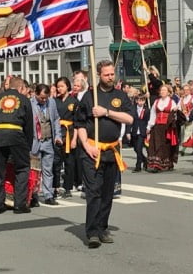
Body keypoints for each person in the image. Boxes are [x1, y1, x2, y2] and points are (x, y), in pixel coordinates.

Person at [75, 60, 132, 248]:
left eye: (112, 74)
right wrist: (86, 145)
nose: (110, 77)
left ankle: (102, 227)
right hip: (92, 150)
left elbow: (129, 118)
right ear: (99, 75)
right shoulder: (90, 97)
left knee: (108, 193)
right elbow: (80, 124)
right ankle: (91, 232)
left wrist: (106, 112)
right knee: (94, 192)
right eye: (107, 74)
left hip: (111, 151)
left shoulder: (120, 95)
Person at [0, 77, 34, 215]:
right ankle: (20, 204)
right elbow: (29, 125)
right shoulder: (24, 99)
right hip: (16, 134)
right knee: (22, 168)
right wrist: (28, 146)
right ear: (21, 88)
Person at [31, 83, 63, 206]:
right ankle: (33, 195)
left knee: (48, 170)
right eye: (41, 98)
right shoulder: (30, 103)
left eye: (46, 98)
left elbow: (56, 119)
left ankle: (48, 195)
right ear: (36, 94)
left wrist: (58, 136)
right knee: (34, 170)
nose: (44, 100)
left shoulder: (52, 102)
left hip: (48, 140)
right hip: (35, 141)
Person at [53, 77, 76, 198]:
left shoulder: (74, 101)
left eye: (62, 86)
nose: (59, 88)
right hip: (57, 132)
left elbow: (77, 122)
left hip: (69, 132)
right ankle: (55, 186)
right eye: (58, 86)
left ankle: (68, 187)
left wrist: (74, 139)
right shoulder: (54, 101)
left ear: (67, 86)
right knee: (56, 162)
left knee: (69, 162)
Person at [146, 84, 178, 172]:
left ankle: (167, 163)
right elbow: (153, 115)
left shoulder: (172, 102)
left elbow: (175, 116)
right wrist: (149, 126)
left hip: (167, 127)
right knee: (157, 145)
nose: (163, 92)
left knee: (166, 146)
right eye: (162, 90)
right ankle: (157, 165)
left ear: (168, 92)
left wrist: (175, 111)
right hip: (157, 126)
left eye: (165, 90)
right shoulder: (156, 102)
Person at [130, 93, 150, 172]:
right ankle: (145, 161)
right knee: (135, 149)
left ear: (144, 101)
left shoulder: (147, 110)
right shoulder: (132, 109)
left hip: (142, 131)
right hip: (134, 130)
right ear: (136, 101)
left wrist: (149, 132)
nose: (140, 102)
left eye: (142, 100)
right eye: (138, 100)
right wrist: (128, 132)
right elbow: (130, 120)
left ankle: (138, 166)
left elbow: (148, 121)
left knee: (139, 148)